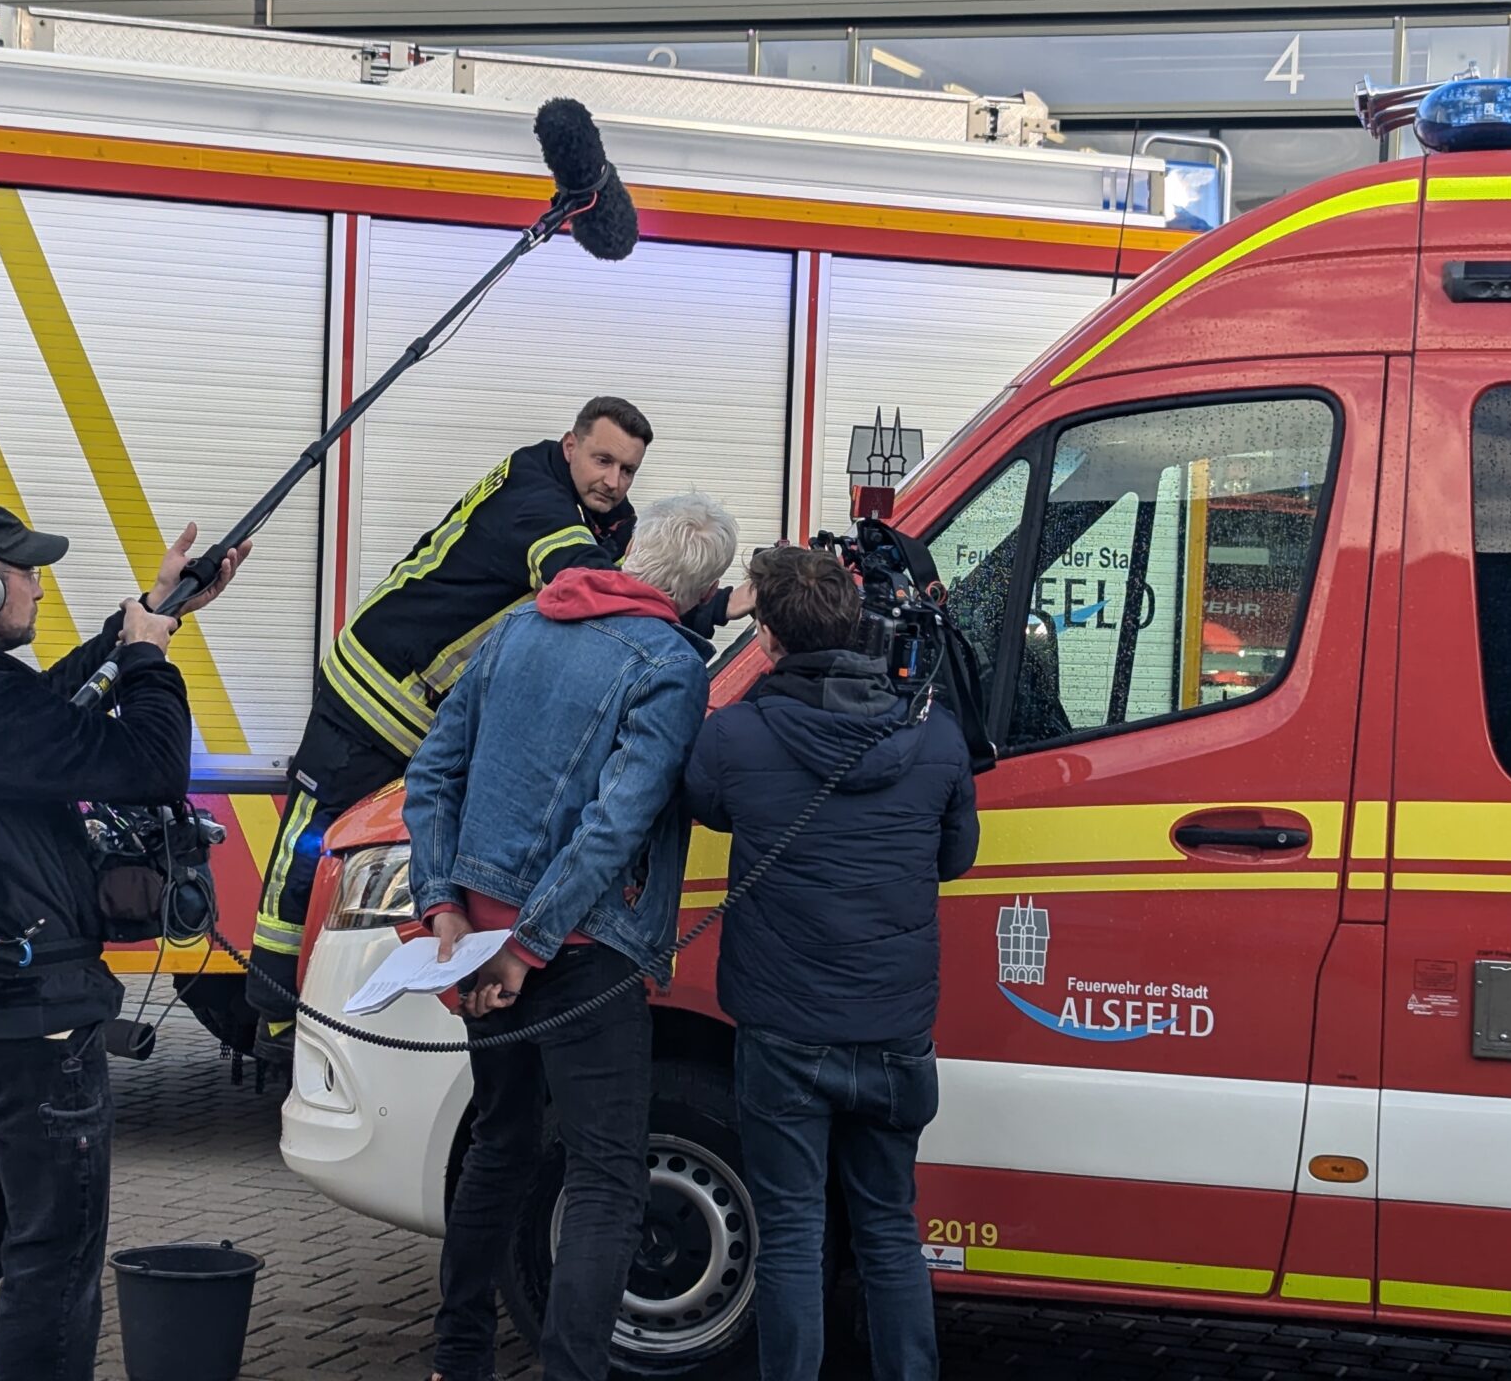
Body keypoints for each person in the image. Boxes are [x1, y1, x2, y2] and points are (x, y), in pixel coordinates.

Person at [0, 497, 245, 1381]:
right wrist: (147, 662)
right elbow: (151, 767)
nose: (37, 587)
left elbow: (34, 712)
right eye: (25, 572)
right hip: (31, 1027)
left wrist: (150, 611)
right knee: (52, 1260)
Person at [235, 397, 748, 1068]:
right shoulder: (536, 501)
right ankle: (273, 1016)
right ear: (570, 445)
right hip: (376, 687)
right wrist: (696, 606)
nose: (614, 481)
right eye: (603, 460)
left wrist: (713, 598)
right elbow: (589, 583)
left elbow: (635, 576)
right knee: (312, 849)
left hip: (425, 703)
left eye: (628, 469)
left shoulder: (598, 510)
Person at [403, 492, 740, 1381]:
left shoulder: (521, 625)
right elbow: (614, 825)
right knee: (606, 1175)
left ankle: (457, 1359)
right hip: (580, 955)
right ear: (697, 590)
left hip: (475, 945)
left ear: (631, 552)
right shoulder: (671, 665)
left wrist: (445, 909)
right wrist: (531, 945)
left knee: (502, 1143)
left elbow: (432, 772)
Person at [681, 545, 980, 1381]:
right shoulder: (935, 735)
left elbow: (703, 801)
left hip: (783, 1031)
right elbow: (955, 858)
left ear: (768, 637)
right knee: (889, 1230)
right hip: (894, 1030)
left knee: (792, 1235)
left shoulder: (736, 735)